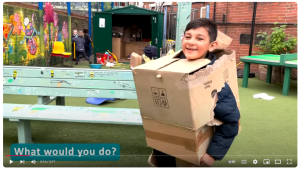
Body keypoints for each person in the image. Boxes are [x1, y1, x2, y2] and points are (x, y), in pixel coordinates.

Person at [152, 18, 240, 167]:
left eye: (199, 38)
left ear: (212, 46)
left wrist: (213, 154)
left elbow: (232, 120)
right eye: (188, 37)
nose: (191, 42)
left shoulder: (213, 81)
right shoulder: (170, 68)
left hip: (193, 148)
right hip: (165, 141)